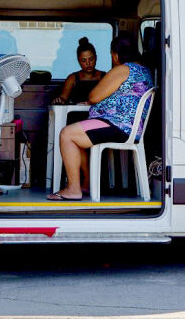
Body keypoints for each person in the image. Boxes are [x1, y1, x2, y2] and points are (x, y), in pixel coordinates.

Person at [47, 35, 153, 201]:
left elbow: (94, 96)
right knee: (76, 133)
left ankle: (73, 189)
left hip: (118, 125)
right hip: (129, 127)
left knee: (67, 134)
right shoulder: (143, 70)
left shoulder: (123, 70)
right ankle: (85, 184)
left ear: (116, 55)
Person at [52, 37, 105, 105]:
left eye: (91, 59)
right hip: (77, 114)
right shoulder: (72, 78)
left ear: (96, 58)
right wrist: (59, 100)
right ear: (78, 61)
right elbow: (63, 98)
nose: (88, 63)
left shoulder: (105, 77)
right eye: (83, 60)